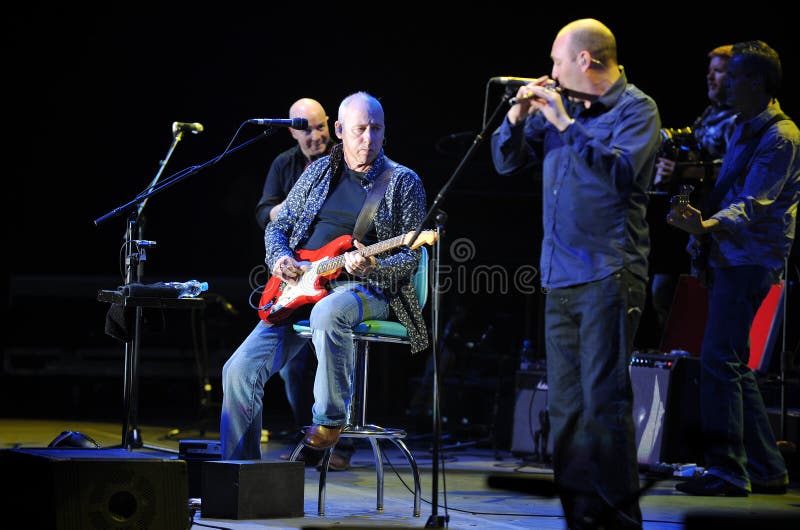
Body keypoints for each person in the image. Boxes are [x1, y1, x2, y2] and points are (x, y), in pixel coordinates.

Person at [491, 18, 661, 529]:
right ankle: (580, 519)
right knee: (564, 411)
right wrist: (517, 118)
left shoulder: (638, 109)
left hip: (609, 273)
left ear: (585, 61)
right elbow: (504, 162)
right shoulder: (563, 111)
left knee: (603, 405)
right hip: (559, 275)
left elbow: (624, 175)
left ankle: (619, 521)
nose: (551, 71)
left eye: (557, 60)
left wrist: (567, 125)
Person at [222, 92, 428, 464]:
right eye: (360, 129)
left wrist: (373, 266)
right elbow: (277, 226)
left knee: (329, 312)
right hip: (301, 286)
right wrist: (280, 258)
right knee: (237, 371)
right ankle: (240, 475)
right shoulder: (317, 172)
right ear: (340, 130)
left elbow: (410, 259)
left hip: (368, 287)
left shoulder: (402, 181)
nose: (368, 138)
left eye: (376, 129)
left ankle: (330, 420)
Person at [668, 40, 797, 497]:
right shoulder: (744, 126)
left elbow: (755, 203)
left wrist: (705, 225)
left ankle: (728, 472)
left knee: (722, 361)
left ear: (757, 82)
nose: (724, 84)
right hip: (732, 257)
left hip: (751, 261)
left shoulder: (781, 135)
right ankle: (765, 468)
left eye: (734, 76)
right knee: (732, 364)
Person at [253, 97, 353, 470]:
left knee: (334, 354)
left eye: (321, 126)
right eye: (306, 129)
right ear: (292, 132)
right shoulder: (285, 165)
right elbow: (264, 212)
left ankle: (338, 444)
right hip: (296, 274)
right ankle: (306, 440)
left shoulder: (348, 162)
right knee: (292, 367)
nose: (316, 135)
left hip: (336, 274)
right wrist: (290, 208)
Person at [648, 45, 738, 339]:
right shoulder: (709, 115)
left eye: (719, 71)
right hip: (688, 223)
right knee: (666, 293)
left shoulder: (744, 121)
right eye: (709, 71)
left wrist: (683, 170)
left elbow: (735, 170)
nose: (710, 78)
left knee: (708, 304)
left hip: (721, 229)